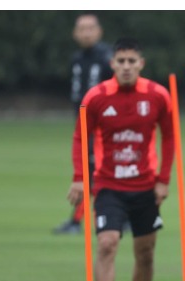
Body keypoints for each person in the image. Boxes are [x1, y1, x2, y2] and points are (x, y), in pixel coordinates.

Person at [69, 37, 174, 281]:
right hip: (108, 185)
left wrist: (163, 180)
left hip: (145, 187)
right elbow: (80, 138)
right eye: (121, 61)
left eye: (132, 61)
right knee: (107, 243)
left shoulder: (157, 95)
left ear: (141, 63)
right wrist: (80, 177)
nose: (126, 66)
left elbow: (169, 137)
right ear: (112, 64)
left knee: (146, 253)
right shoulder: (97, 97)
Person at [53, 14, 113, 236]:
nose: (86, 33)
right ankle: (81, 221)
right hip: (83, 124)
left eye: (90, 28)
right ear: (75, 33)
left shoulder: (109, 58)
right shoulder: (77, 59)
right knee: (89, 172)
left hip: (103, 127)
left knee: (96, 172)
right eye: (82, 29)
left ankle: (83, 221)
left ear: (99, 31)